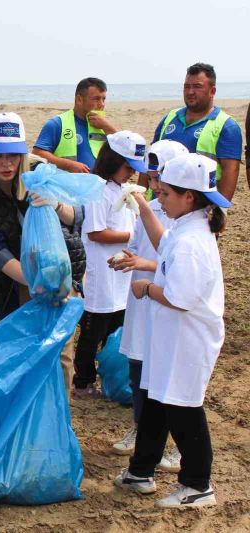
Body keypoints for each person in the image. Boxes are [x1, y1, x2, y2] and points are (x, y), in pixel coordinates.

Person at [114, 153, 228, 509]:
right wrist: (142, 207)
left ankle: (197, 485)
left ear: (189, 197)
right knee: (155, 402)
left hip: (188, 338)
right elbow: (164, 245)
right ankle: (140, 471)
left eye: (164, 193)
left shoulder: (193, 241)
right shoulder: (187, 226)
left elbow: (181, 298)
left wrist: (146, 288)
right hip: (171, 337)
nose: (158, 198)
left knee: (183, 408)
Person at [109, 140, 188, 470]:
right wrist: (129, 259)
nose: (153, 185)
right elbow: (139, 246)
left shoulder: (188, 222)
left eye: (160, 180)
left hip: (168, 301)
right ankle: (142, 431)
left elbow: (176, 267)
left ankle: (176, 445)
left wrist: (144, 264)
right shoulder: (150, 208)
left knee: (168, 379)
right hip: (142, 302)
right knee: (138, 370)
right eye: (151, 177)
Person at [0, 113, 80, 319]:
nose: (6, 164)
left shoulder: (39, 174)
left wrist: (55, 204)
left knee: (62, 344)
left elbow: (75, 218)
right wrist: (43, 283)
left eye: (13, 155)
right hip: (17, 280)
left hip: (61, 271)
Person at [72, 131, 145, 398]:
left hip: (120, 273)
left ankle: (111, 374)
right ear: (112, 161)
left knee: (115, 328)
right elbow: (96, 232)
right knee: (93, 331)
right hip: (100, 274)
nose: (131, 174)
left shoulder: (125, 191)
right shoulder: (99, 191)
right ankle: (84, 380)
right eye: (128, 167)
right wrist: (133, 237)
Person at [142, 63, 242, 202]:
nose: (190, 92)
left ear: (212, 91)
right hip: (159, 202)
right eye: (186, 86)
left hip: (197, 208)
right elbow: (150, 156)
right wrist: (140, 193)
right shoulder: (170, 117)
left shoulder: (226, 126)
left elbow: (230, 172)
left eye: (197, 86)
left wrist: (220, 210)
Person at [32, 77, 117, 173]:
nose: (102, 104)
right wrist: (68, 165)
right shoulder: (57, 123)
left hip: (98, 185)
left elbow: (124, 149)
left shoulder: (104, 126)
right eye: (96, 99)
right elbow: (37, 154)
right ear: (79, 99)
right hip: (67, 185)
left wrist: (107, 127)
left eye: (103, 99)